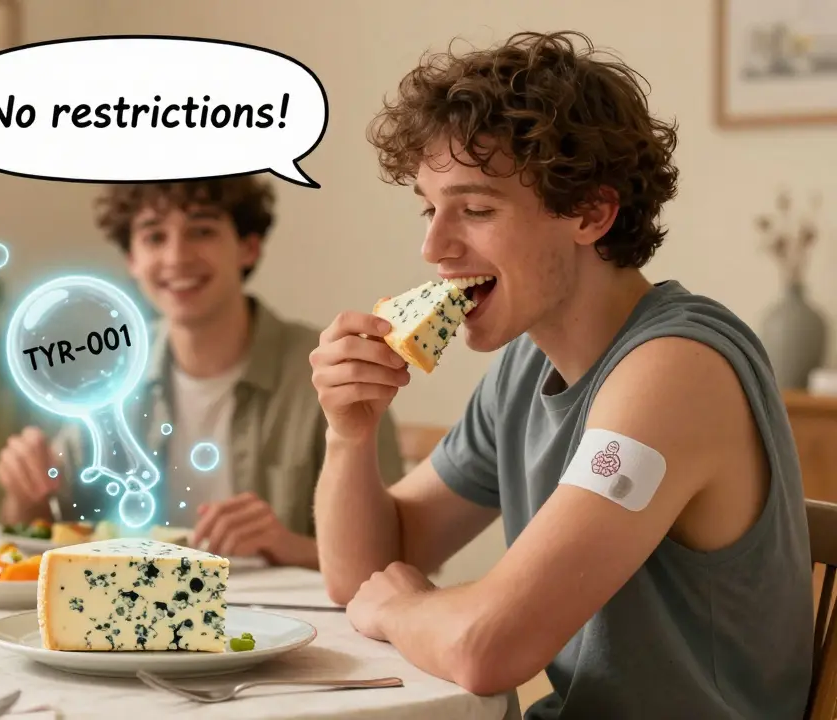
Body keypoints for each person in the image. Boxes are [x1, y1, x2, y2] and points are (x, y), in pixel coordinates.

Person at [310, 31, 812, 718]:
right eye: (430, 209)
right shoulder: (527, 364)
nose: (434, 247)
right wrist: (349, 432)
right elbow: (364, 572)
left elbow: (489, 646)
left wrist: (407, 609)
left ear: (591, 212)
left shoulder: (676, 371)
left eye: (476, 209)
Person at [0, 178, 405, 568]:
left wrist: (286, 545)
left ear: (249, 247)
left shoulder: (335, 372)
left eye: (202, 231)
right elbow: (44, 532)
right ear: (132, 260)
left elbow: (396, 556)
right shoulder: (107, 370)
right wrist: (24, 489)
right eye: (155, 237)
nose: (177, 258)